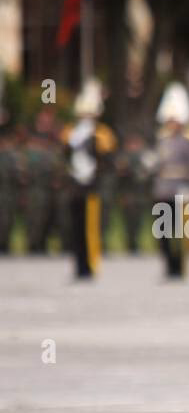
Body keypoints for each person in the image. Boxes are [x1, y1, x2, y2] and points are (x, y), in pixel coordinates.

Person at [149, 81, 189, 280]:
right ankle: (168, 265)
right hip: (163, 188)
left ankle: (180, 266)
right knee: (163, 231)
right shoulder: (161, 138)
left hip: (182, 187)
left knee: (182, 232)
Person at [62, 79, 117, 280]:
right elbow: (65, 157)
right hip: (75, 187)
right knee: (75, 228)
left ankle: (92, 263)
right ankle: (79, 265)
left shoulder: (102, 134)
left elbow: (108, 161)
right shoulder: (71, 133)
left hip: (92, 187)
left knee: (92, 228)